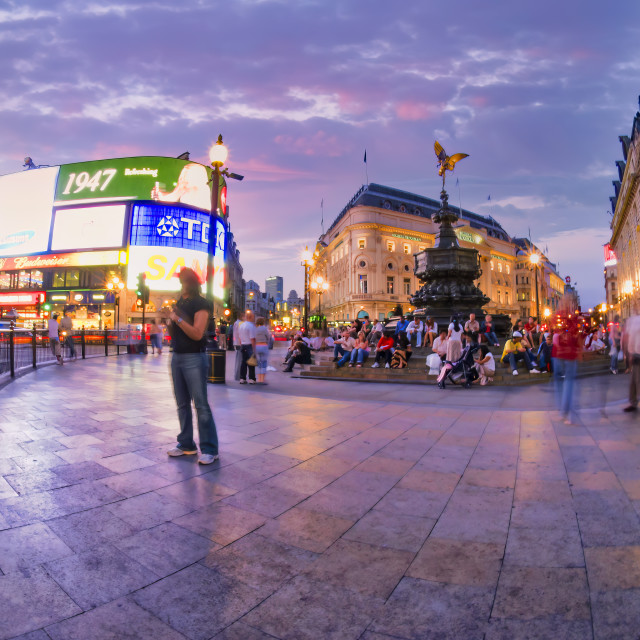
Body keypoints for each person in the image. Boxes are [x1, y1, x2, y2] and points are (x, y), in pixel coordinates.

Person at [165, 268, 219, 465]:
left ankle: (210, 449)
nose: (180, 285)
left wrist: (177, 319)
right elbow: (176, 331)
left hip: (194, 358)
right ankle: (186, 444)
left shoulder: (201, 303)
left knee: (201, 404)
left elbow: (197, 333)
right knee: (181, 404)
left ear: (188, 282)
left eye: (181, 281)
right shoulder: (180, 303)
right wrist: (169, 320)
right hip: (177, 356)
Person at [554, 321, 583, 423]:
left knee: (569, 386)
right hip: (565, 356)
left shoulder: (570, 323)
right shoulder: (567, 322)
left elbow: (577, 339)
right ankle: (565, 413)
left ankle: (570, 415)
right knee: (567, 385)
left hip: (569, 357)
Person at [623, 312, 640, 413]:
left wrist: (629, 352)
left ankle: (633, 402)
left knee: (636, 380)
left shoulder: (633, 321)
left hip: (636, 353)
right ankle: (633, 401)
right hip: (636, 353)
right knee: (635, 380)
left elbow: (628, 337)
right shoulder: (633, 321)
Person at [239, 310, 257, 384]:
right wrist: (254, 349)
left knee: (243, 362)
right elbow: (252, 338)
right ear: (250, 317)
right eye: (253, 316)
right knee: (251, 362)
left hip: (243, 345)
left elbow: (240, 337)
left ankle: (242, 378)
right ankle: (251, 378)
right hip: (249, 345)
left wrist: (241, 345)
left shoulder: (242, 325)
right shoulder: (251, 326)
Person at [253, 317, 271, 384]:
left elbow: (253, 338)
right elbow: (268, 337)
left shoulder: (255, 329)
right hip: (264, 346)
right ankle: (262, 380)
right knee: (264, 362)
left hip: (257, 346)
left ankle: (259, 379)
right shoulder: (264, 328)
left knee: (258, 363)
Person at [232, 313, 244, 380]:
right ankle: (238, 376)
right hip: (240, 343)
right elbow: (240, 334)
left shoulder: (236, 323)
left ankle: (237, 375)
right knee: (240, 360)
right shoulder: (240, 323)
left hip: (236, 343)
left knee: (238, 359)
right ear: (241, 316)